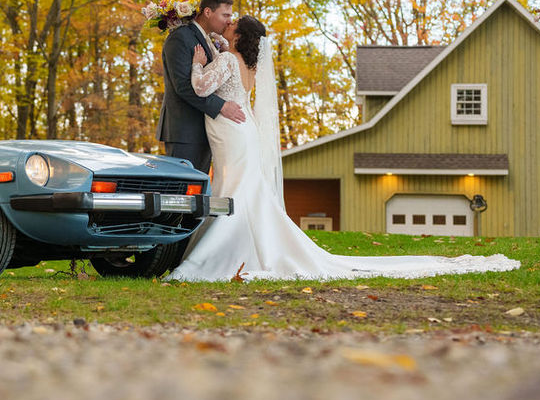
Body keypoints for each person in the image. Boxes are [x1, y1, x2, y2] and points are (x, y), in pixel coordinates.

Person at [167, 16, 520, 281]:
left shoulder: (227, 60)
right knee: (243, 187)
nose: (226, 27)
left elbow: (199, 87)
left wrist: (198, 63)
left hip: (231, 130)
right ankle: (257, 245)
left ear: (239, 36)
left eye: (232, 26)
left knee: (238, 189)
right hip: (242, 131)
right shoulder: (249, 65)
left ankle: (224, 251)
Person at [157, 0, 246, 172]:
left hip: (206, 130)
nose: (229, 21)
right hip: (184, 131)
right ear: (207, 12)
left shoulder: (212, 41)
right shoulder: (180, 38)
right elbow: (182, 86)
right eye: (225, 15)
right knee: (182, 193)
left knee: (199, 193)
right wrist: (221, 106)